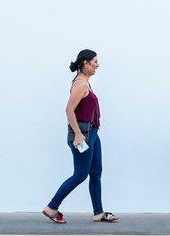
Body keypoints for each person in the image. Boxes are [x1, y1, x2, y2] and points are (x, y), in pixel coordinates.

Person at [42, 49, 119, 224]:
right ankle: (52, 207)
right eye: (95, 62)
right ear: (85, 63)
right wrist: (77, 135)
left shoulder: (86, 83)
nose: (97, 65)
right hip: (83, 136)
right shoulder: (80, 84)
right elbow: (69, 110)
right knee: (80, 175)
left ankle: (98, 213)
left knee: (96, 173)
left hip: (93, 134)